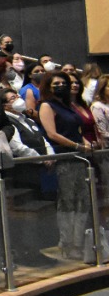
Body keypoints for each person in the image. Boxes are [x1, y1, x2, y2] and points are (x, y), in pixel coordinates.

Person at [38, 70, 95, 260]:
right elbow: (52, 134)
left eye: (63, 83)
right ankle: (67, 244)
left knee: (82, 202)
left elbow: (78, 130)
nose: (61, 86)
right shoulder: (46, 105)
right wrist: (77, 146)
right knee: (67, 203)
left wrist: (85, 143)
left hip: (79, 158)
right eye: (56, 84)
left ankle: (78, 242)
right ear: (48, 87)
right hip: (64, 159)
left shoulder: (68, 105)